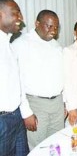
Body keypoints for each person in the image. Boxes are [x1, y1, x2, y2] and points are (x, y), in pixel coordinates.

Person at [11, 10, 64, 150]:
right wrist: (26, 112)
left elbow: (60, 76)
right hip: (36, 104)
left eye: (56, 27)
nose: (53, 30)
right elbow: (16, 81)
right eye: (49, 26)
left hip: (57, 103)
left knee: (57, 145)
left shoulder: (56, 46)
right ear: (37, 23)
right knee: (38, 148)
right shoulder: (21, 44)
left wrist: (63, 103)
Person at [0, 0, 29, 156]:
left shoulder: (9, 46)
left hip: (16, 117)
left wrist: (25, 112)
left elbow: (17, 84)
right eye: (16, 13)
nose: (21, 18)